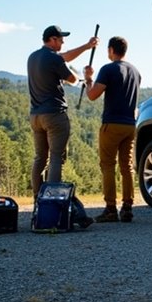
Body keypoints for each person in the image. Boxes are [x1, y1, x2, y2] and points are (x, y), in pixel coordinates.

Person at [27, 24, 100, 228]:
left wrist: (86, 46)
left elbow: (64, 56)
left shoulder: (33, 57)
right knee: (57, 157)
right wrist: (82, 76)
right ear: (52, 39)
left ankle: (38, 199)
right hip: (55, 115)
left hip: (36, 116)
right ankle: (52, 203)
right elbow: (72, 78)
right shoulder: (54, 58)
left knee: (40, 157)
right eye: (60, 39)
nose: (63, 42)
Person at [83, 36, 142, 223]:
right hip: (130, 124)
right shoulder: (135, 72)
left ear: (110, 50)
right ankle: (127, 207)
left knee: (108, 165)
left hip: (112, 123)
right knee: (127, 167)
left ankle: (110, 208)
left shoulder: (108, 69)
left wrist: (88, 80)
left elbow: (92, 96)